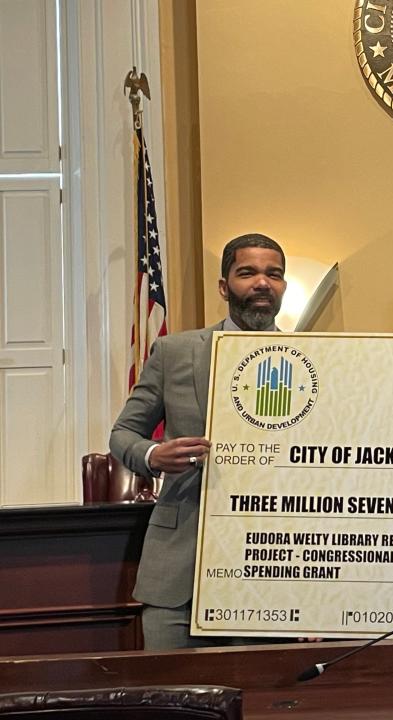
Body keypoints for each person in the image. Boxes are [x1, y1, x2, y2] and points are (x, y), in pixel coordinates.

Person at [110, 233, 287, 649]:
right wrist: (154, 454)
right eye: (248, 272)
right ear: (224, 286)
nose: (262, 282)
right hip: (179, 570)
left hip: (275, 573)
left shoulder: (313, 356)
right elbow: (122, 434)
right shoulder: (174, 351)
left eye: (273, 274)